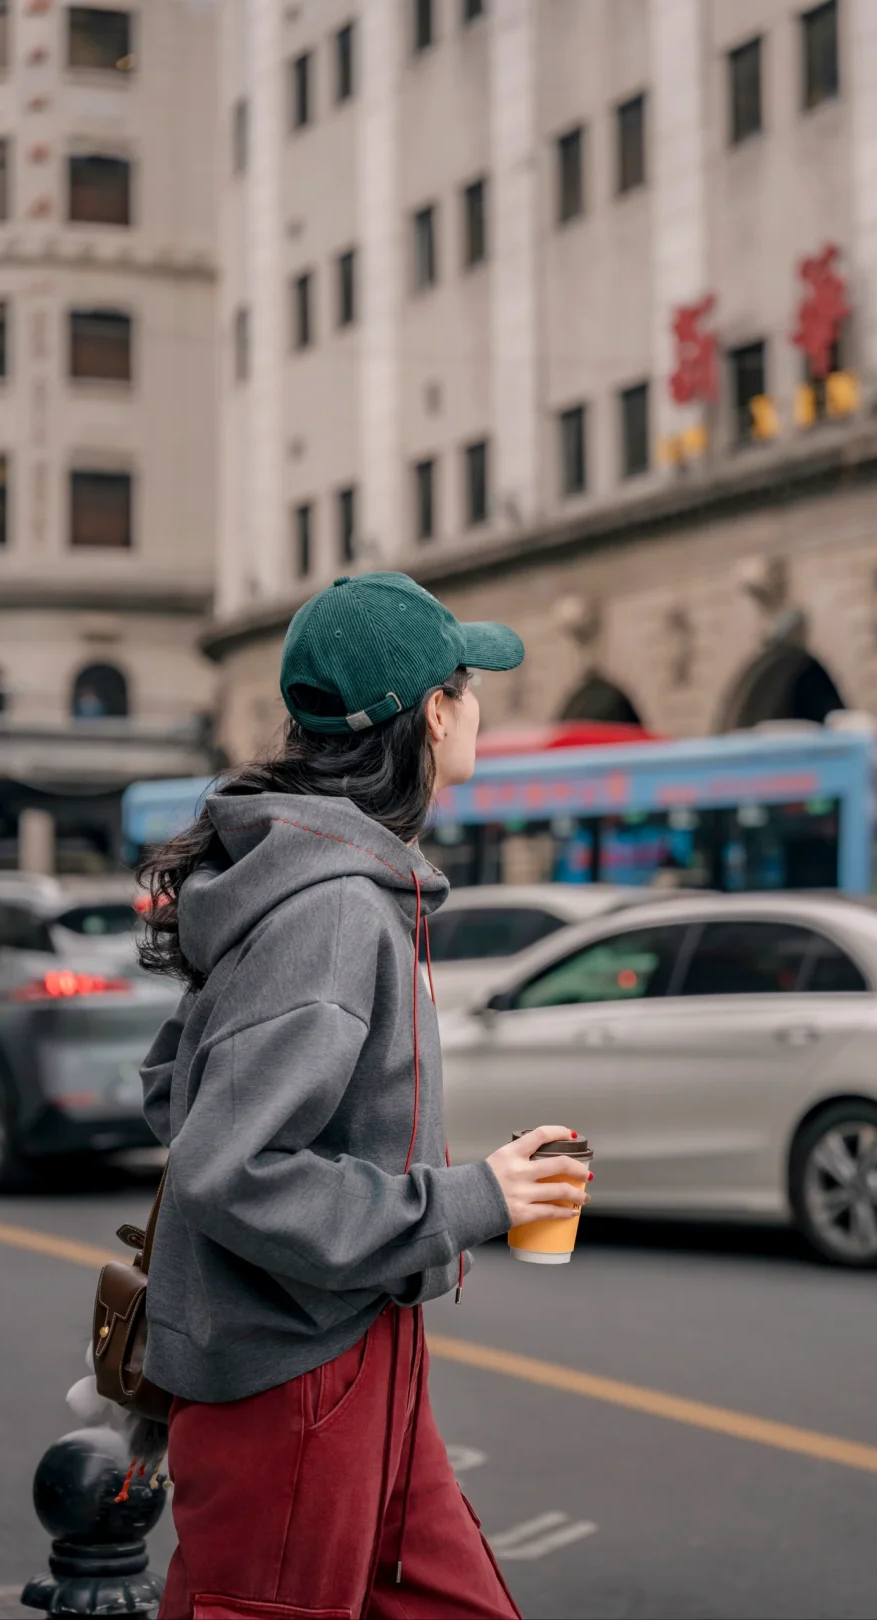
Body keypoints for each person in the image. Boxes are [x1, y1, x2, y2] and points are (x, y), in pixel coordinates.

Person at [137, 573, 592, 1620]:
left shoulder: (318, 878)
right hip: (296, 1376)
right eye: (468, 686)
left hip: (353, 1345)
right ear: (433, 710)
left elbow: (176, 1081)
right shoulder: (334, 903)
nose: (476, 707)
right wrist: (473, 1197)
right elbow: (225, 1165)